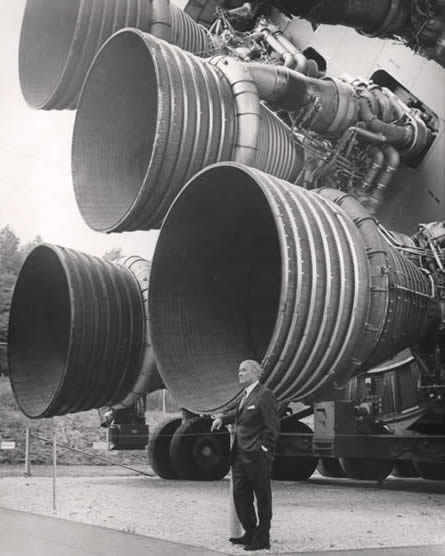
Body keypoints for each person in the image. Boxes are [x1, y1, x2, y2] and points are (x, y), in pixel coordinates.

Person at [211, 359, 280, 551]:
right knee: (241, 496)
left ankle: (262, 538)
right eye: (239, 370)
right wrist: (222, 419)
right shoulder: (246, 395)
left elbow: (272, 427)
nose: (239, 373)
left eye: (243, 370)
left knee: (262, 498)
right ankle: (250, 533)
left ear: (256, 373)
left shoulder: (265, 395)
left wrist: (264, 450)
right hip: (240, 456)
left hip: (257, 457)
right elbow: (240, 415)